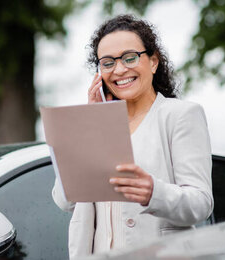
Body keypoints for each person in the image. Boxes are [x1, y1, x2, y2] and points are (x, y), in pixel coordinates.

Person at [52, 14, 213, 258]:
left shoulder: (180, 115)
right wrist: (88, 125)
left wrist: (154, 193)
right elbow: (64, 201)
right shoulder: (96, 125)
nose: (119, 69)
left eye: (130, 58)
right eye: (107, 63)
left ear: (153, 61)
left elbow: (201, 203)